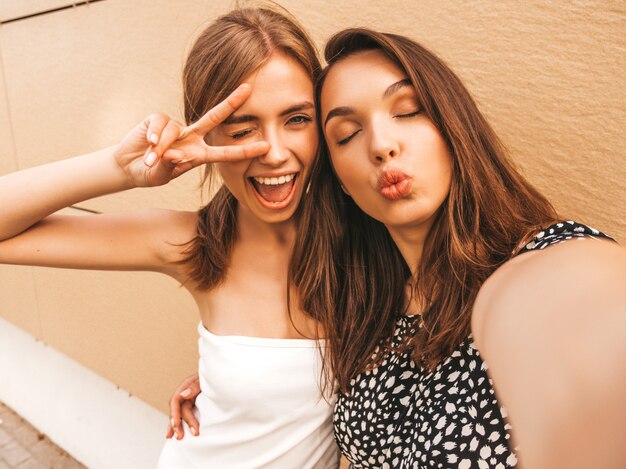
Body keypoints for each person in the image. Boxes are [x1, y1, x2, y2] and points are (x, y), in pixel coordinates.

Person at [172, 27, 626, 468]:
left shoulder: (529, 270)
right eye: (346, 134)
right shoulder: (367, 306)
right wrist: (226, 387)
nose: (382, 145)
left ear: (453, 127)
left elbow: (585, 318)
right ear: (341, 182)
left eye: (407, 110)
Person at [0, 7, 340, 469]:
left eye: (297, 120)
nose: (274, 153)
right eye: (242, 129)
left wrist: (220, 376)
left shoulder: (374, 244)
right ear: (206, 135)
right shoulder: (192, 243)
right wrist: (119, 169)